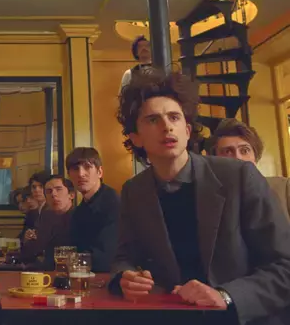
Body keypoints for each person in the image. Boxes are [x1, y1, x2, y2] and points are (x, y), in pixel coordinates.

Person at [110, 70, 290, 325]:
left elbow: (284, 265)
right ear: (135, 138)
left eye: (174, 117)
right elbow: (124, 257)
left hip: (243, 318)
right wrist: (124, 278)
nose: (166, 126)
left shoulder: (239, 176)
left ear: (187, 129)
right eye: (153, 119)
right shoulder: (134, 190)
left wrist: (226, 296)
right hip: (175, 316)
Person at [210, 118, 290, 220]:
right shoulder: (206, 199)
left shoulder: (284, 189)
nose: (238, 158)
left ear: (255, 158)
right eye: (228, 152)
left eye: (244, 150)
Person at [67, 147, 120, 273]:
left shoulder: (113, 204)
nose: (81, 174)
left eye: (87, 167)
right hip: (85, 274)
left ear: (99, 172)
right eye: (75, 169)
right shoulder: (79, 210)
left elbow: (105, 257)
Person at [20, 175, 75, 268]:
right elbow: (33, 252)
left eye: (58, 189)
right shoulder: (45, 217)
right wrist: (27, 240)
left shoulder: (78, 217)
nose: (53, 194)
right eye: (49, 191)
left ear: (71, 195)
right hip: (44, 270)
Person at [22, 171, 50, 243]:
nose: (37, 190)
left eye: (41, 186)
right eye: (34, 187)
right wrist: (27, 237)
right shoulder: (33, 212)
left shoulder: (52, 209)